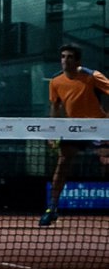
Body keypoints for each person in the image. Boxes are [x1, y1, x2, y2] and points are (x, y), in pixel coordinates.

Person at [38, 43, 109, 226]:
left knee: (106, 163)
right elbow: (54, 107)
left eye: (69, 57)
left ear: (77, 60)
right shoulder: (55, 81)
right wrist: (52, 132)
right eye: (63, 57)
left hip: (97, 127)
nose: (65, 60)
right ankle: (51, 209)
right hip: (72, 129)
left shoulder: (92, 76)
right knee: (62, 165)